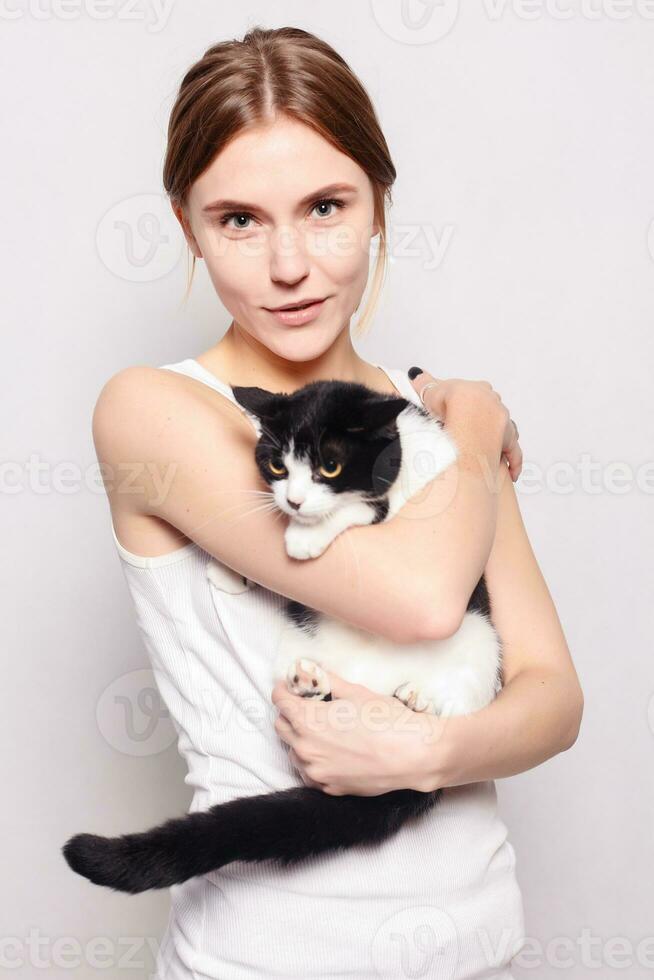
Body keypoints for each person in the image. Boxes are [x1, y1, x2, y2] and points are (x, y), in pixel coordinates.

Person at [93, 26, 584, 980]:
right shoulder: (157, 412)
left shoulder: (427, 413)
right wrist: (478, 428)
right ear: (186, 223)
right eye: (238, 219)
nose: (289, 265)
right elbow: (422, 601)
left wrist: (428, 752)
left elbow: (553, 698)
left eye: (325, 206)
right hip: (270, 958)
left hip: (483, 943)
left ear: (379, 207)